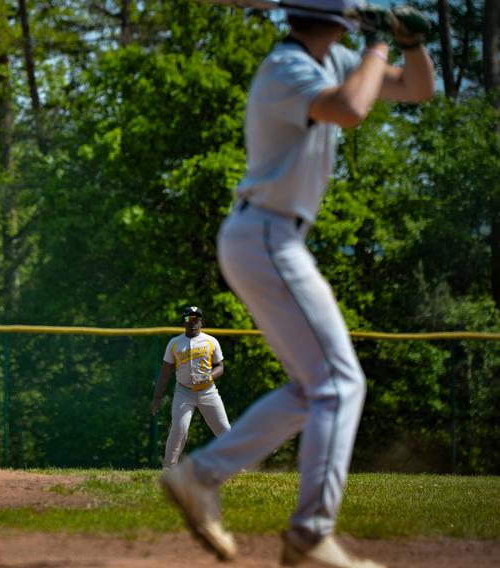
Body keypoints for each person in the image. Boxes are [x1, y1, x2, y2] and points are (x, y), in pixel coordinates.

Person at [161, 2, 434, 567]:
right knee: (340, 382)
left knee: (318, 389)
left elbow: (417, 89)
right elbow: (351, 109)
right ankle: (309, 534)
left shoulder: (329, 56)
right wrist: (380, 39)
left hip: (272, 236)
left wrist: (411, 44)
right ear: (340, 16)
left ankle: (200, 477)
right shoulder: (287, 68)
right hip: (266, 233)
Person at [151, 306, 231, 470]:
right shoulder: (174, 343)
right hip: (184, 391)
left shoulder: (211, 341)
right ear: (184, 322)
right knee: (179, 428)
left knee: (224, 429)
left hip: (208, 391)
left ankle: (238, 465)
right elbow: (165, 371)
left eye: (196, 318)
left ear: (201, 321)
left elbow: (220, 367)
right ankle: (168, 468)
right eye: (189, 318)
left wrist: (210, 376)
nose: (193, 322)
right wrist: (157, 397)